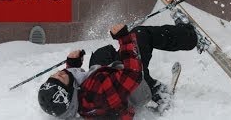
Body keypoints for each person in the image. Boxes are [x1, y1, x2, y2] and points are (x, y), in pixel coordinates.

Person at [38, 8, 199, 119]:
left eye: (53, 77)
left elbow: (75, 89)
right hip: (136, 87)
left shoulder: (75, 102)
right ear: (67, 91)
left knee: (102, 54)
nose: (58, 73)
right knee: (139, 35)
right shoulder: (98, 92)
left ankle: (127, 62)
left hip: (114, 87)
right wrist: (125, 39)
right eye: (60, 79)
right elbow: (133, 74)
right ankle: (190, 36)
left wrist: (72, 65)